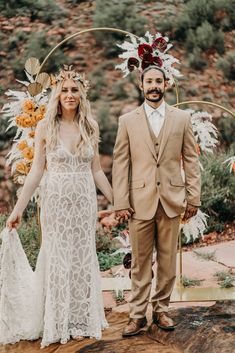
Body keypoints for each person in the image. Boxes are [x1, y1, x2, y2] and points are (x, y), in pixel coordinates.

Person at [2, 67, 112, 347]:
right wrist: (18, 209)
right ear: (57, 95)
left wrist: (116, 200)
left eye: (75, 90)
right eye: (64, 90)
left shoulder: (90, 126)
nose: (70, 95)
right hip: (57, 205)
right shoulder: (45, 126)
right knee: (59, 256)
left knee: (81, 257)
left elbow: (97, 171)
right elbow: (37, 171)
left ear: (82, 94)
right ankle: (59, 318)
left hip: (84, 204)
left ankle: (79, 317)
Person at [112, 66, 201, 336]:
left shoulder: (182, 118)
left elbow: (192, 159)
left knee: (167, 261)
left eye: (158, 81)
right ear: (141, 85)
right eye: (149, 81)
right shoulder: (127, 120)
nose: (154, 85)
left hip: (172, 199)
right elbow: (120, 162)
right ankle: (137, 315)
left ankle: (161, 310)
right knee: (139, 262)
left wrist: (193, 196)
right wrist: (120, 201)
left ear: (165, 84)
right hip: (139, 200)